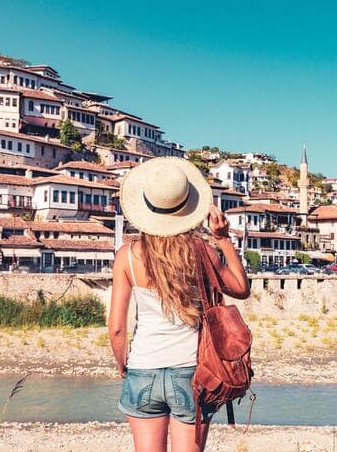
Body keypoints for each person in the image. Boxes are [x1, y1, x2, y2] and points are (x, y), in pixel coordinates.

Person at [108, 157, 250, 452]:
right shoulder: (202, 252)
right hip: (191, 371)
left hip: (143, 367)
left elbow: (117, 327)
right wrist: (223, 239)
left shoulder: (127, 256)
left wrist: (124, 366)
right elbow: (241, 288)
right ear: (186, 209)